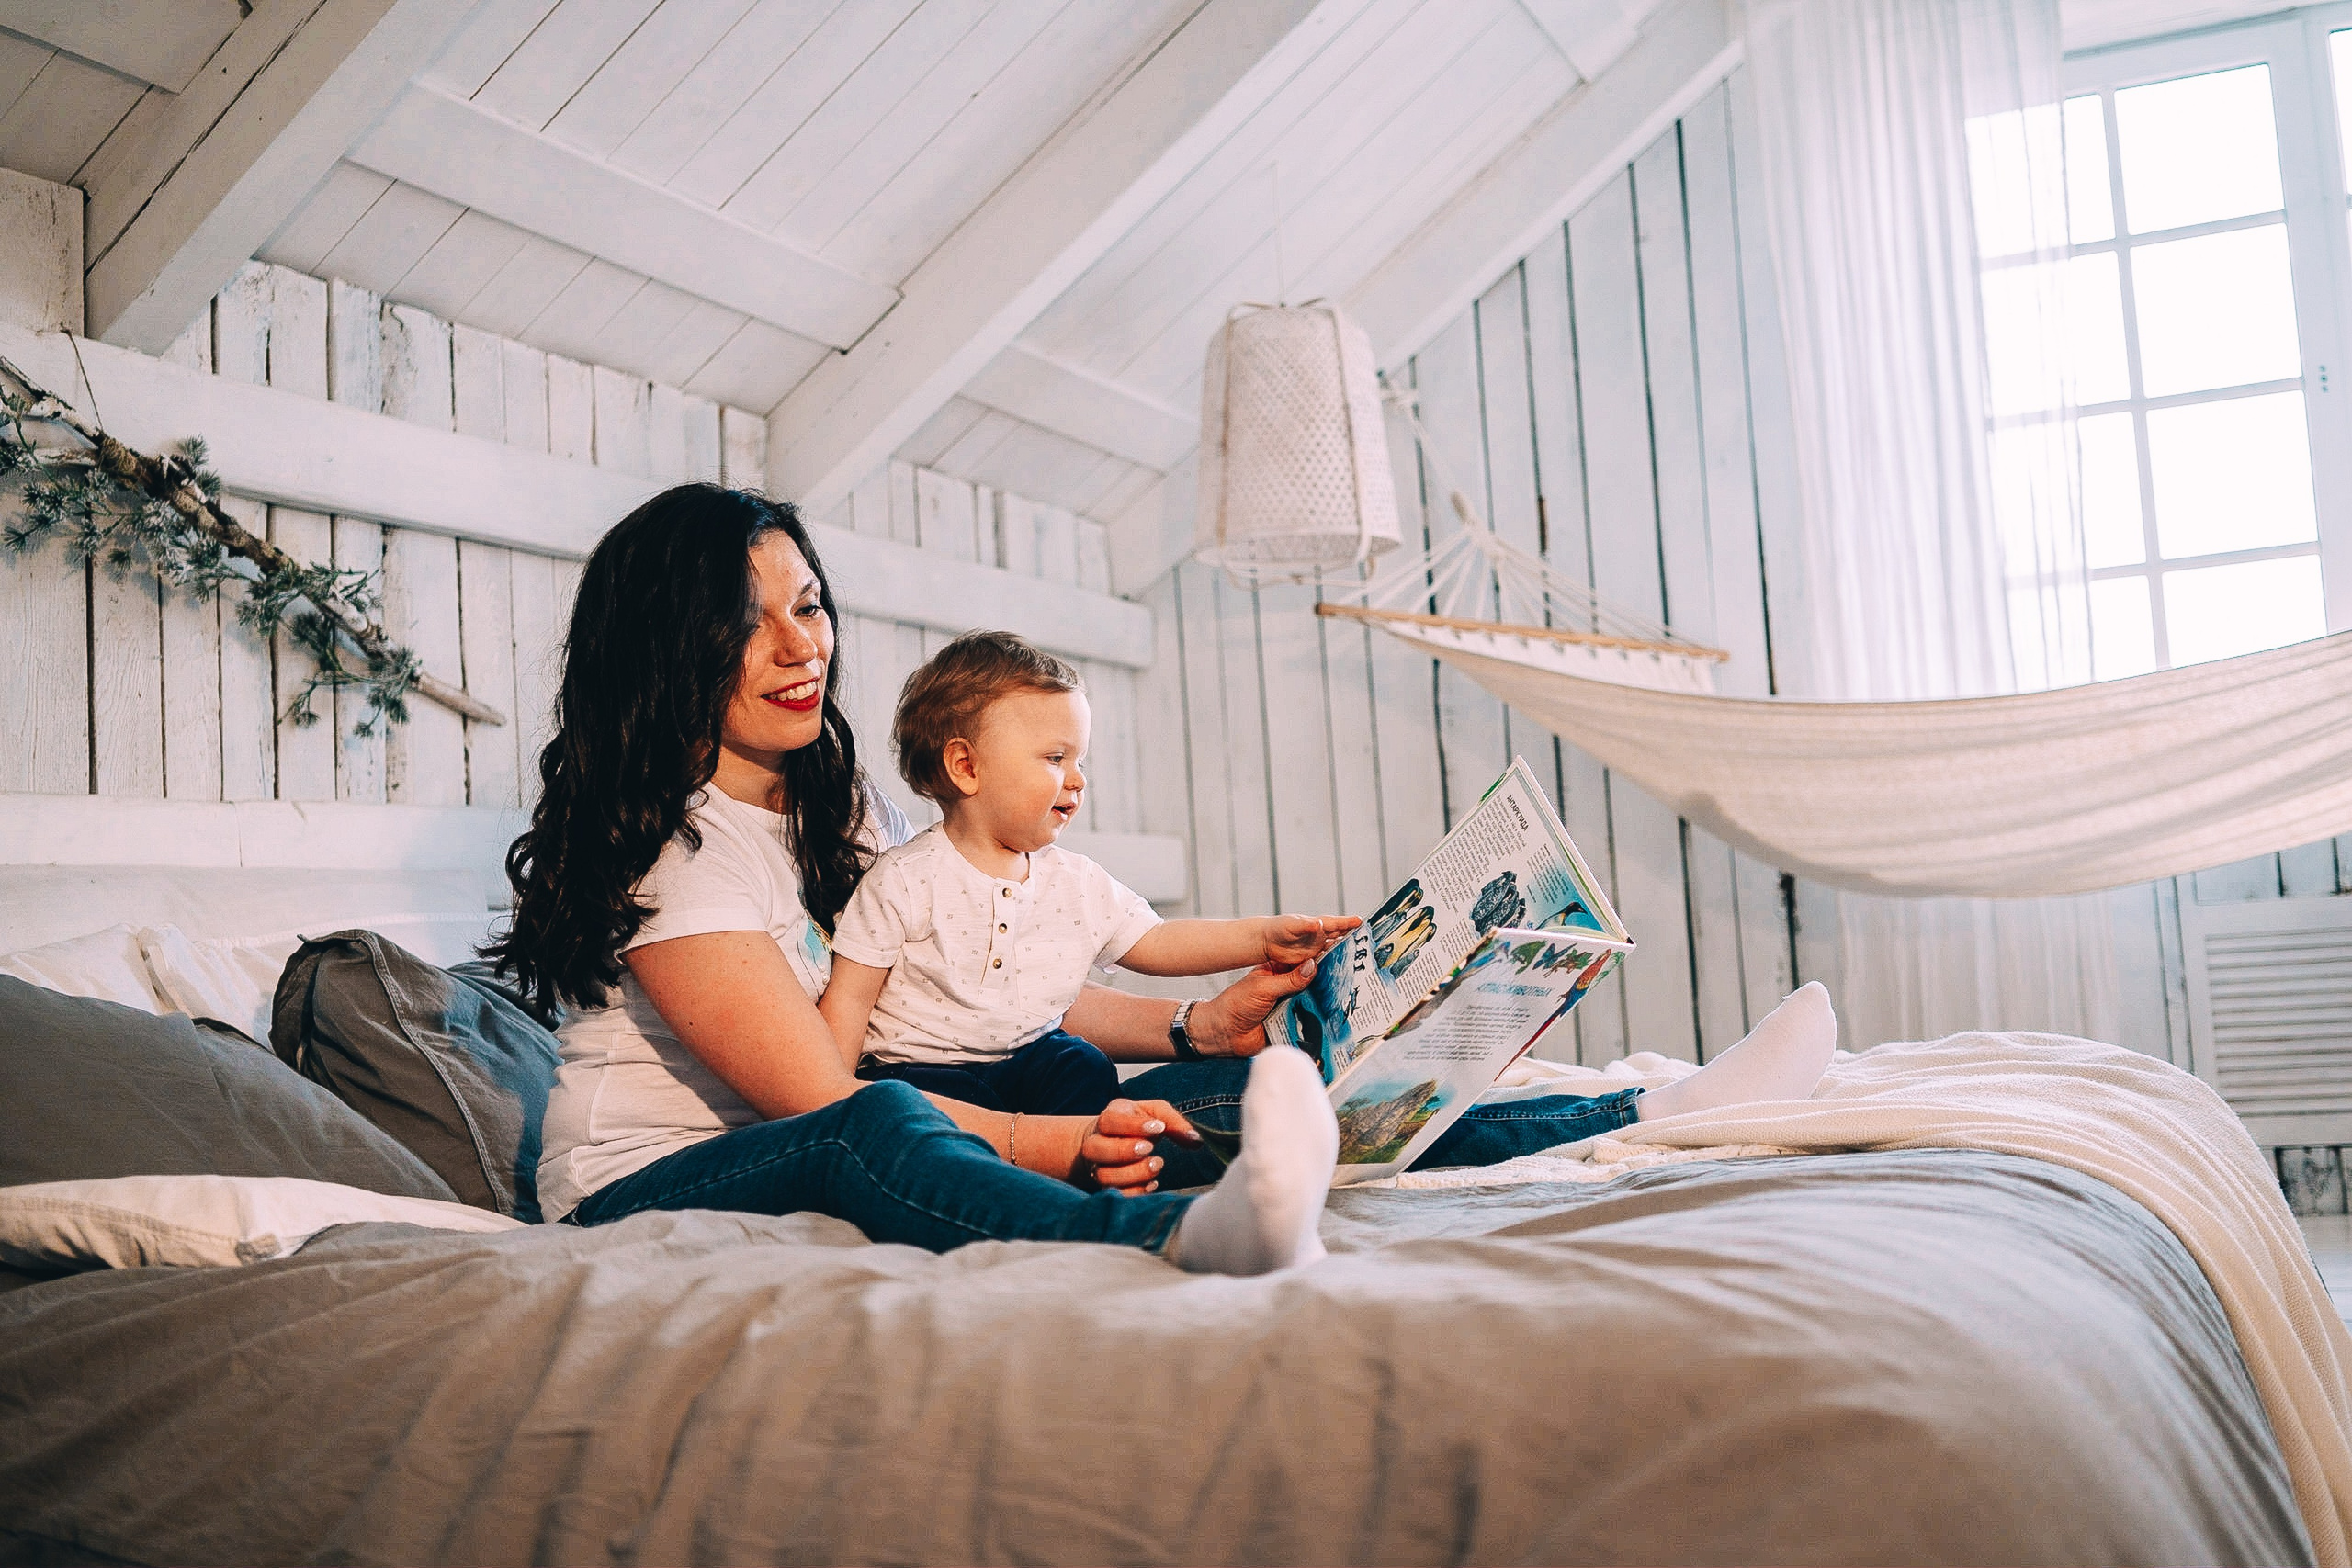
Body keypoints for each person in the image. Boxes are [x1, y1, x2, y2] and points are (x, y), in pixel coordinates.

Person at [485, 484, 1838, 1276]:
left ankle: (1657, 1104)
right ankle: (1175, 1238)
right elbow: (827, 1098)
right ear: (674, 645)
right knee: (883, 1128)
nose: (800, 644)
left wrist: (1198, 1030)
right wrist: (1060, 1141)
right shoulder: (676, 850)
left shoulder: (850, 820)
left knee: (1254, 1079)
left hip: (862, 1107)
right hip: (656, 1179)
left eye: (810, 603)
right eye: (752, 617)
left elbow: (992, 1004)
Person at [817, 629, 1363, 1121]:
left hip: (1028, 1060)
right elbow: (848, 1001)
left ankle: (1077, 1162)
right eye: (1056, 758)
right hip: (924, 1073)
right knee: (902, 1107)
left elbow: (1159, 942)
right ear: (966, 767)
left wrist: (1260, 937)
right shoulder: (904, 879)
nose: (1077, 780)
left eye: (1081, 760)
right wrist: (827, 1107)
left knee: (1084, 1066)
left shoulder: (1075, 881)